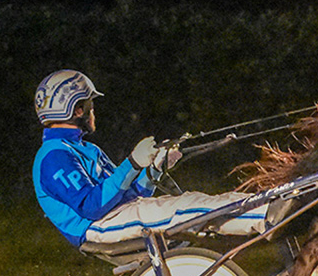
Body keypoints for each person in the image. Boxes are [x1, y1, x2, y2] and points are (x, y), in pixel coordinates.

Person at [32, 69, 286, 248]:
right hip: (94, 227)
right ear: (76, 109)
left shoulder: (85, 149)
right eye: (90, 105)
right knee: (187, 208)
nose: (93, 111)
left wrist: (154, 169)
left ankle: (270, 205)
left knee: (192, 204)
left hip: (114, 215)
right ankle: (267, 214)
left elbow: (131, 194)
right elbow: (91, 206)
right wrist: (132, 163)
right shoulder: (54, 156)